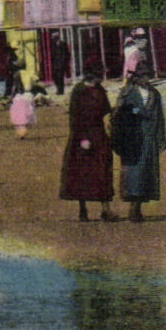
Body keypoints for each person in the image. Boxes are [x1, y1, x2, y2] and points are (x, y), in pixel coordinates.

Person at [60, 68, 116, 222]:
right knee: (81, 174)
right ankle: (82, 210)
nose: (102, 79)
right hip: (81, 136)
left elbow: (107, 110)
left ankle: (106, 210)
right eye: (99, 76)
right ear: (93, 76)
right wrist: (82, 138)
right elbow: (74, 116)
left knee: (103, 170)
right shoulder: (78, 91)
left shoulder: (100, 90)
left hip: (99, 135)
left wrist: (111, 122)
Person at [111, 67, 166, 222]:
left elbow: (160, 118)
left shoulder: (155, 94)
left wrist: (161, 139)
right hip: (132, 140)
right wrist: (135, 112)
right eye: (143, 77)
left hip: (149, 139)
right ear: (136, 78)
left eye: (148, 77)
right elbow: (118, 115)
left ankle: (138, 207)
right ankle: (133, 208)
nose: (146, 80)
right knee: (133, 174)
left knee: (146, 174)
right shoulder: (127, 93)